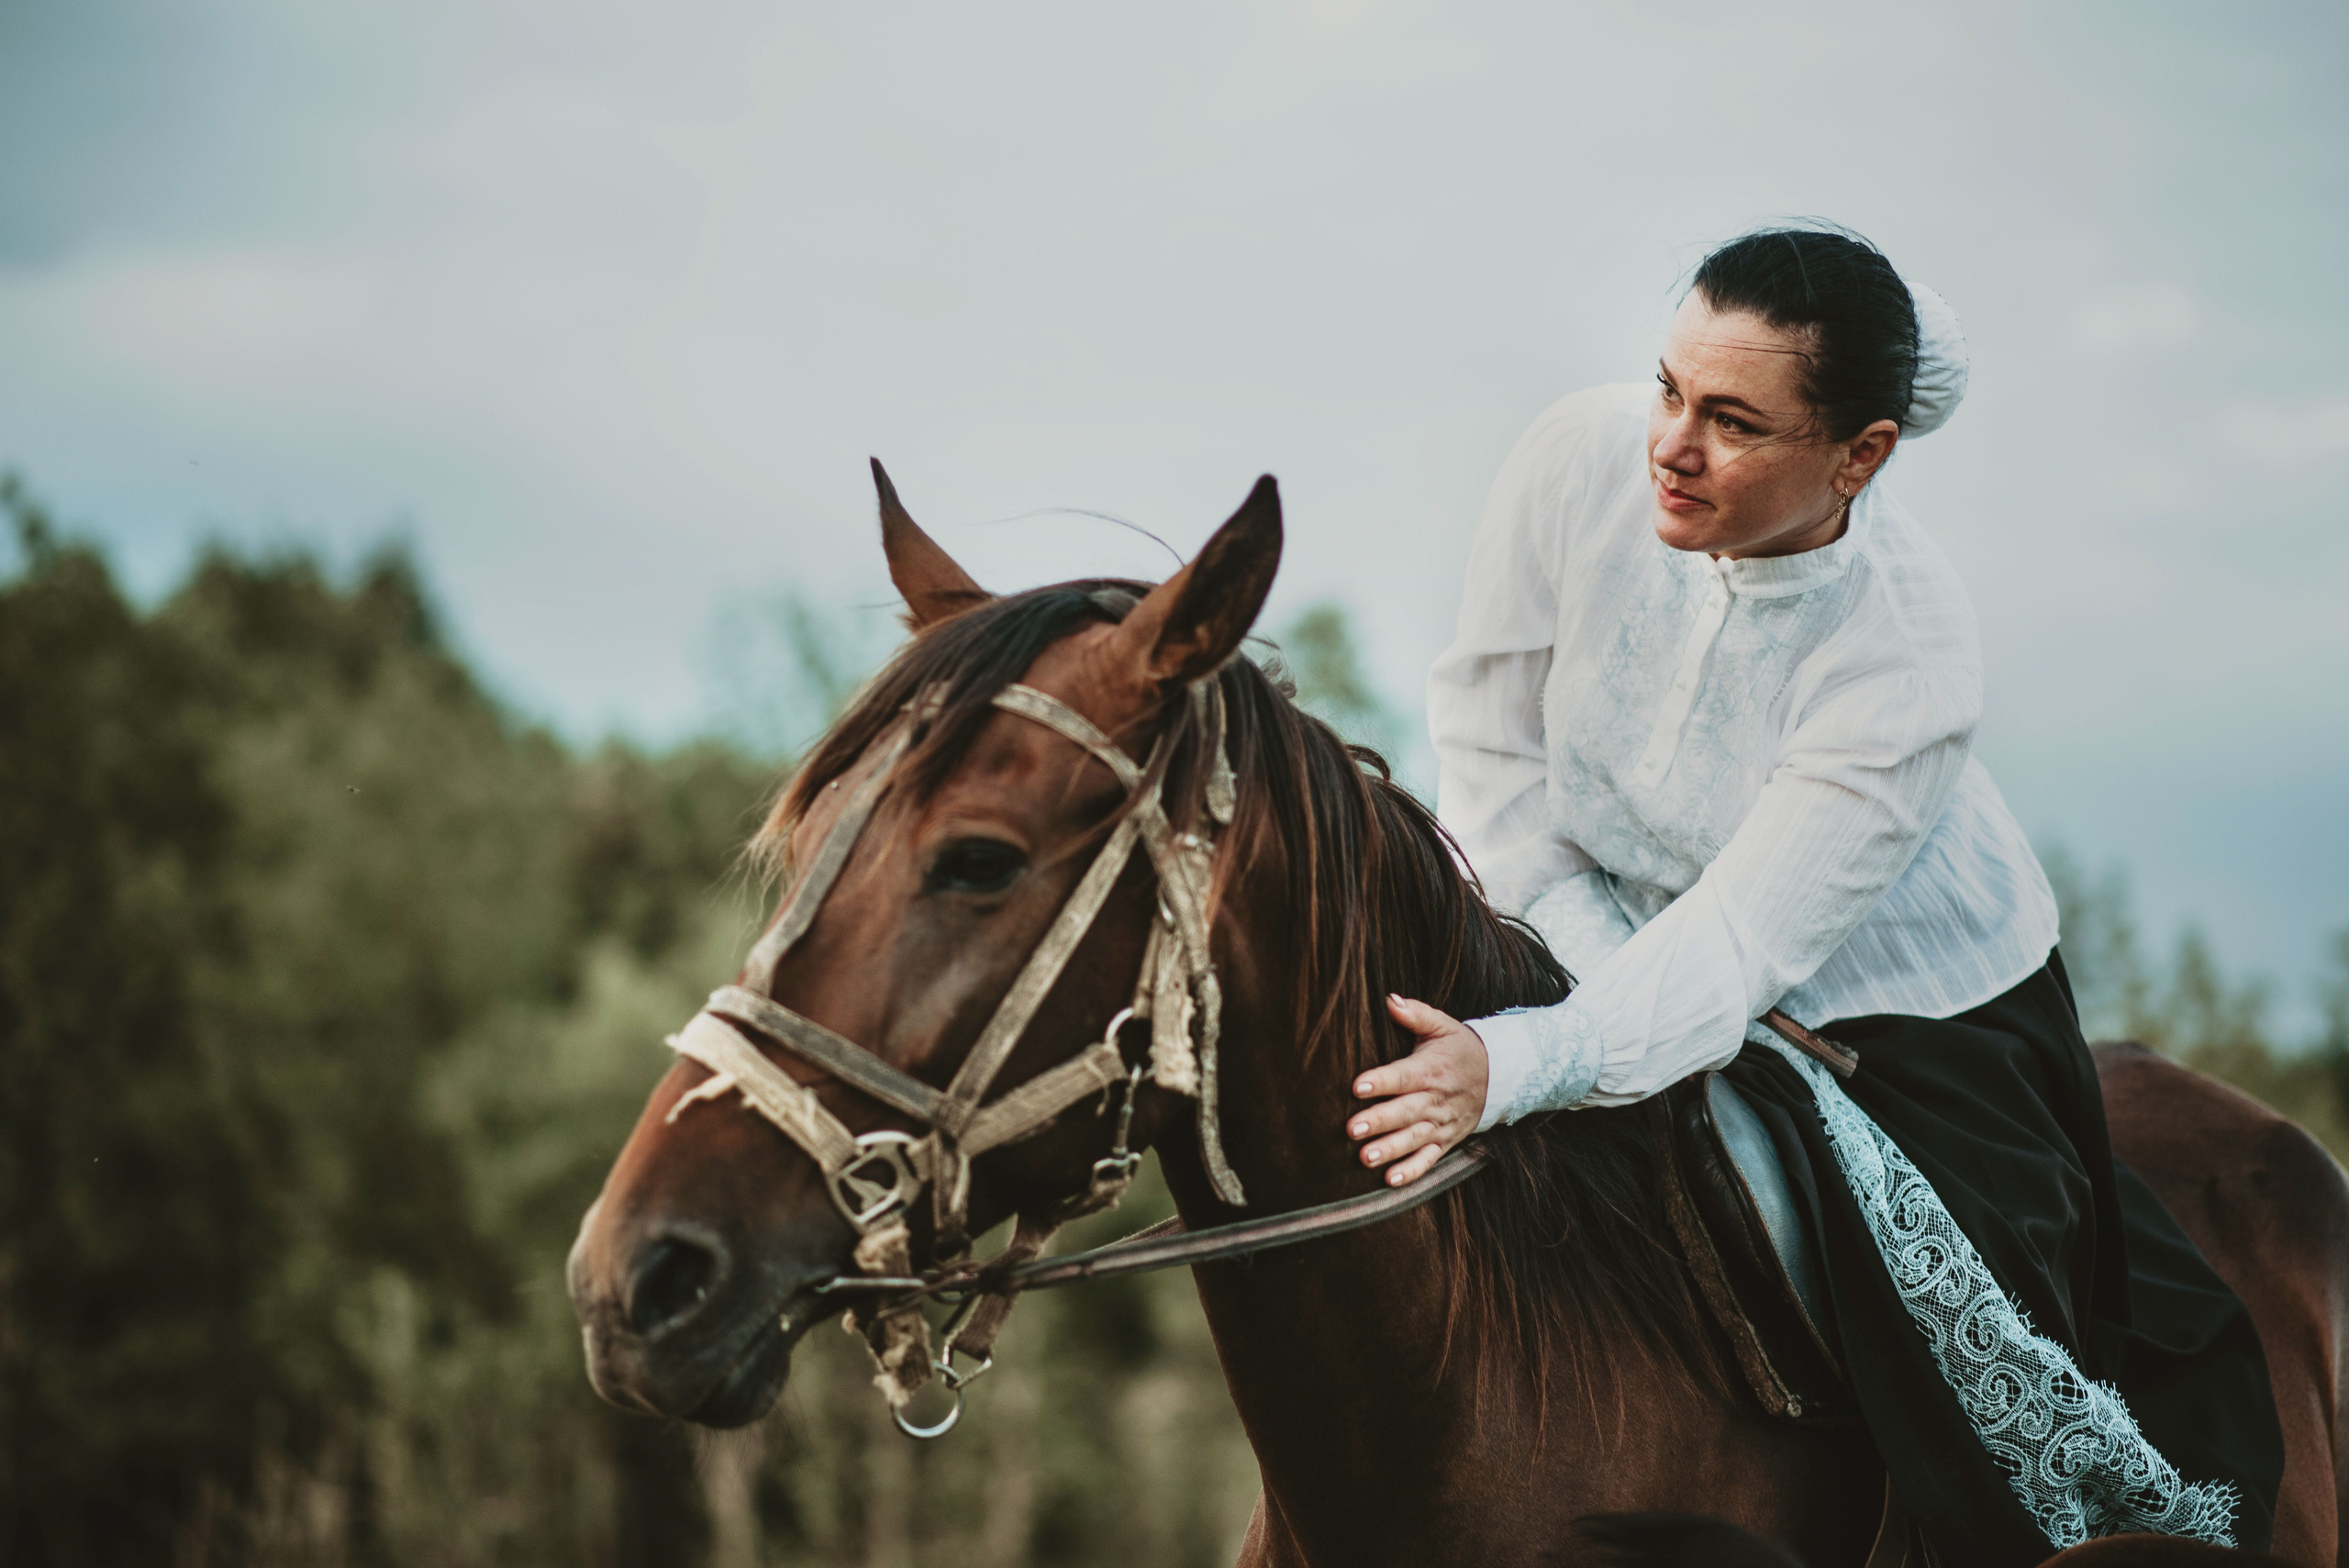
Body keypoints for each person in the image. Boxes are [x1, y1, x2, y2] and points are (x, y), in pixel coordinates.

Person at [1341, 225, 2284, 1565]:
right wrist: (1560, 964)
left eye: (1732, 420)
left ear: (1861, 454)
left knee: (1968, 1414)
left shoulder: (1909, 649)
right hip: (1580, 912)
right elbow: (1488, 739)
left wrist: (1513, 1062)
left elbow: (1735, 955)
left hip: (1903, 1012)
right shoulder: (1573, 458)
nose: (1670, 445)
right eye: (1668, 388)